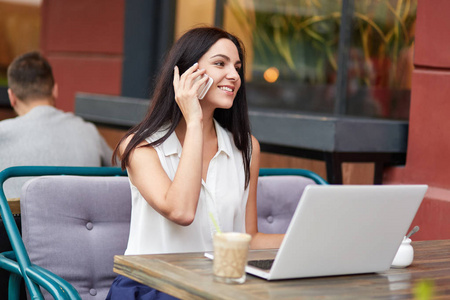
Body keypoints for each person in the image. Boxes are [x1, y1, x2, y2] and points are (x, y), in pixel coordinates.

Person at [107, 27, 284, 300]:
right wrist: (194, 120)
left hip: (214, 288)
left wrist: (315, 239)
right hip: (154, 287)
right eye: (220, 64)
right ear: (186, 73)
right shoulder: (139, 146)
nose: (234, 76)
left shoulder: (246, 148)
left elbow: (247, 239)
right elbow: (181, 211)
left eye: (237, 67)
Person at [0, 51, 113, 198]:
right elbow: (122, 173)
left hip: (12, 221)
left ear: (11, 97)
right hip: (78, 220)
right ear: (55, 90)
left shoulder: (2, 132)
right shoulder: (88, 131)